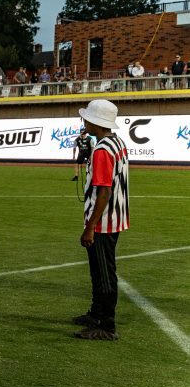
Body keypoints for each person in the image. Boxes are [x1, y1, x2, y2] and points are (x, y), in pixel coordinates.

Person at [73, 99, 129, 341]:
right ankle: (96, 314)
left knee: (104, 273)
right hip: (114, 217)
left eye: (87, 118)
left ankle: (107, 325)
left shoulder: (102, 150)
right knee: (98, 271)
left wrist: (90, 228)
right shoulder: (116, 142)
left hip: (103, 223)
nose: (84, 121)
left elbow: (104, 192)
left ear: (95, 122)